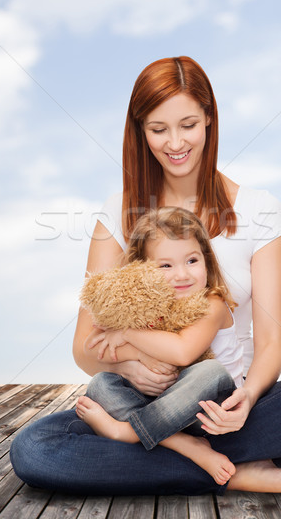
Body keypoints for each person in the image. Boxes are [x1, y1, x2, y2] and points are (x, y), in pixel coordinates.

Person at [10, 56, 281, 497]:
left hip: (225, 404)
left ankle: (179, 455)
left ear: (209, 121)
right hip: (142, 403)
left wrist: (249, 400)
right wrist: (127, 366)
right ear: (140, 131)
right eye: (158, 129)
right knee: (35, 449)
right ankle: (234, 470)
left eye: (187, 125)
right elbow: (85, 347)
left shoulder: (260, 210)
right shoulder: (116, 213)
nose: (175, 142)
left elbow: (272, 341)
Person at [76, 206, 245, 486]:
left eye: (191, 261)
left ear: (206, 260)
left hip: (211, 412)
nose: (182, 275)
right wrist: (135, 352)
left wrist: (128, 334)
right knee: (100, 385)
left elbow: (182, 352)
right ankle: (182, 444)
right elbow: (95, 346)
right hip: (164, 413)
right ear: (141, 271)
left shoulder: (212, 304)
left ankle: (129, 433)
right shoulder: (146, 308)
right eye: (165, 266)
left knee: (210, 371)